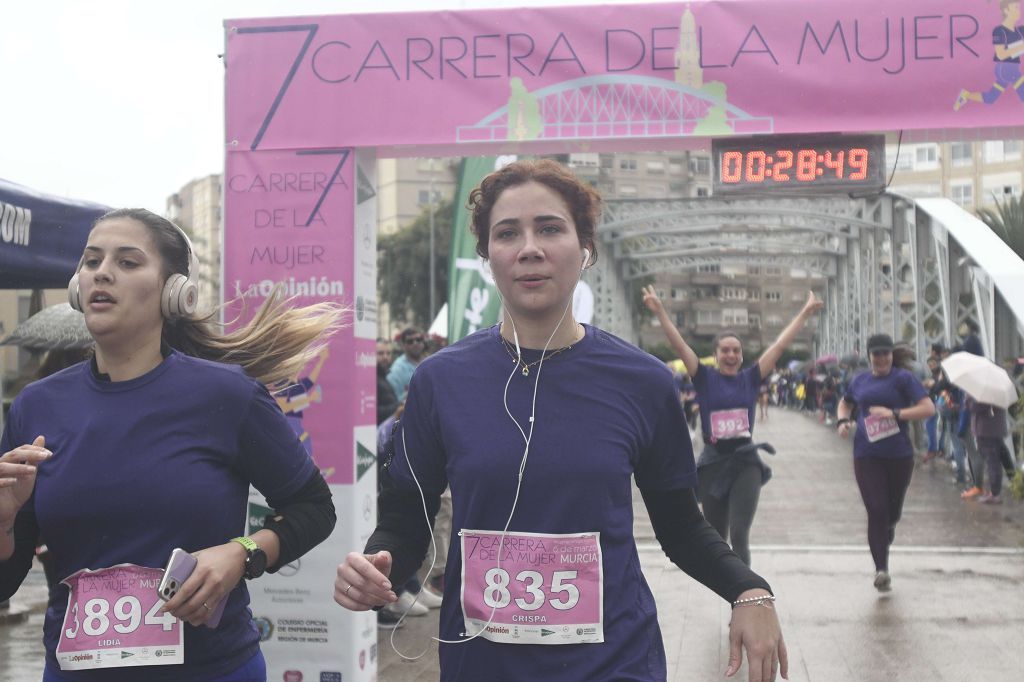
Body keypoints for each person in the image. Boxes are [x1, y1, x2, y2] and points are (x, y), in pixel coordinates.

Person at [334, 160, 786, 681]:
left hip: (613, 661)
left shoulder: (643, 383)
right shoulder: (440, 381)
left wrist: (749, 589)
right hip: (483, 663)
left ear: (585, 247)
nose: (530, 247)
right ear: (488, 255)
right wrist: (375, 566)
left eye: (550, 228)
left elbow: (682, 528)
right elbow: (405, 520)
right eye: (508, 233)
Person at [0, 208, 342, 681]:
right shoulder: (35, 407)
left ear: (174, 290)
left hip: (212, 670)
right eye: (92, 260)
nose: (102, 271)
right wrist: (4, 521)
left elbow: (314, 508)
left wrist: (241, 552)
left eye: (127, 262)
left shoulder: (228, 396)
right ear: (78, 287)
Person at [642, 286, 823, 567]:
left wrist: (804, 312)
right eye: (725, 350)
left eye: (735, 350)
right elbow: (680, 346)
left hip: (745, 461)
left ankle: (746, 600)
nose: (731, 355)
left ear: (741, 355)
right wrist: (661, 312)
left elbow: (778, 346)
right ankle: (729, 589)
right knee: (716, 537)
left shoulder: (751, 378)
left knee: (740, 534)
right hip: (713, 463)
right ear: (715, 355)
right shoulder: (703, 377)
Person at [836, 333, 935, 593]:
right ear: (869, 356)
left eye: (885, 354)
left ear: (891, 355)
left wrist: (895, 413)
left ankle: (889, 525)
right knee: (876, 509)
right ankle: (882, 569)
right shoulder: (859, 380)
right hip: (866, 455)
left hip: (899, 456)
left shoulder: (903, 379)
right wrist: (842, 421)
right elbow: (844, 404)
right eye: (876, 354)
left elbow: (928, 408)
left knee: (892, 511)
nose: (881, 358)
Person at [387, 327, 426, 402]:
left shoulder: (429, 363)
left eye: (418, 340)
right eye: (410, 341)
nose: (415, 343)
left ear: (423, 342)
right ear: (403, 345)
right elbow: (393, 401)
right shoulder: (397, 370)